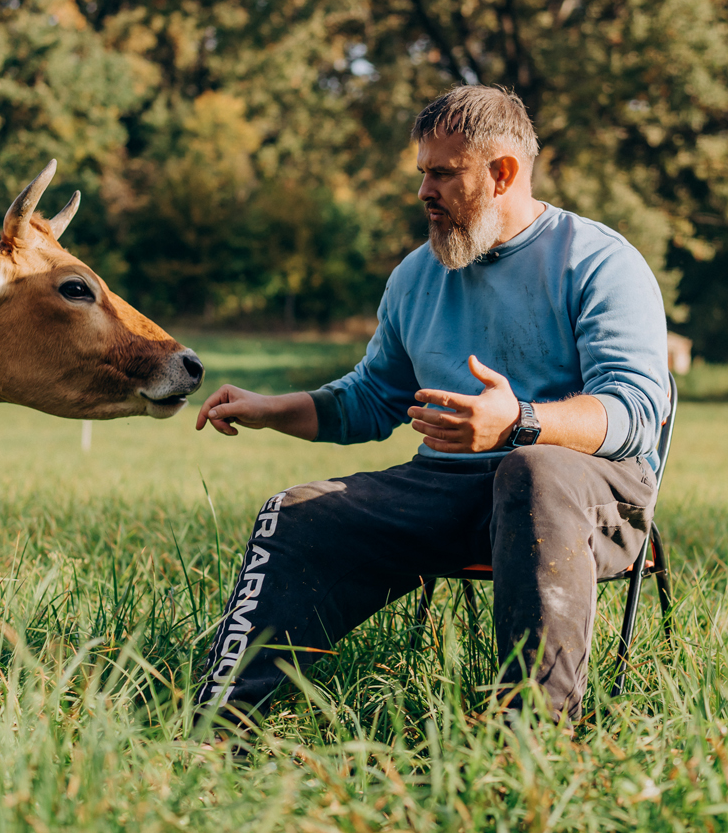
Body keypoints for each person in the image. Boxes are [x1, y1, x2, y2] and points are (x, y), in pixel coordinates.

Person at [192, 84, 669, 723]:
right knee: (296, 514)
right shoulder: (417, 275)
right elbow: (371, 399)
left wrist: (521, 423)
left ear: (502, 174)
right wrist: (270, 408)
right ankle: (219, 726)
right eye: (423, 173)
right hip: (444, 491)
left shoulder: (600, 262)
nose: (424, 192)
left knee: (533, 471)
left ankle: (535, 737)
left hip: (588, 499)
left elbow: (637, 412)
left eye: (444, 174)